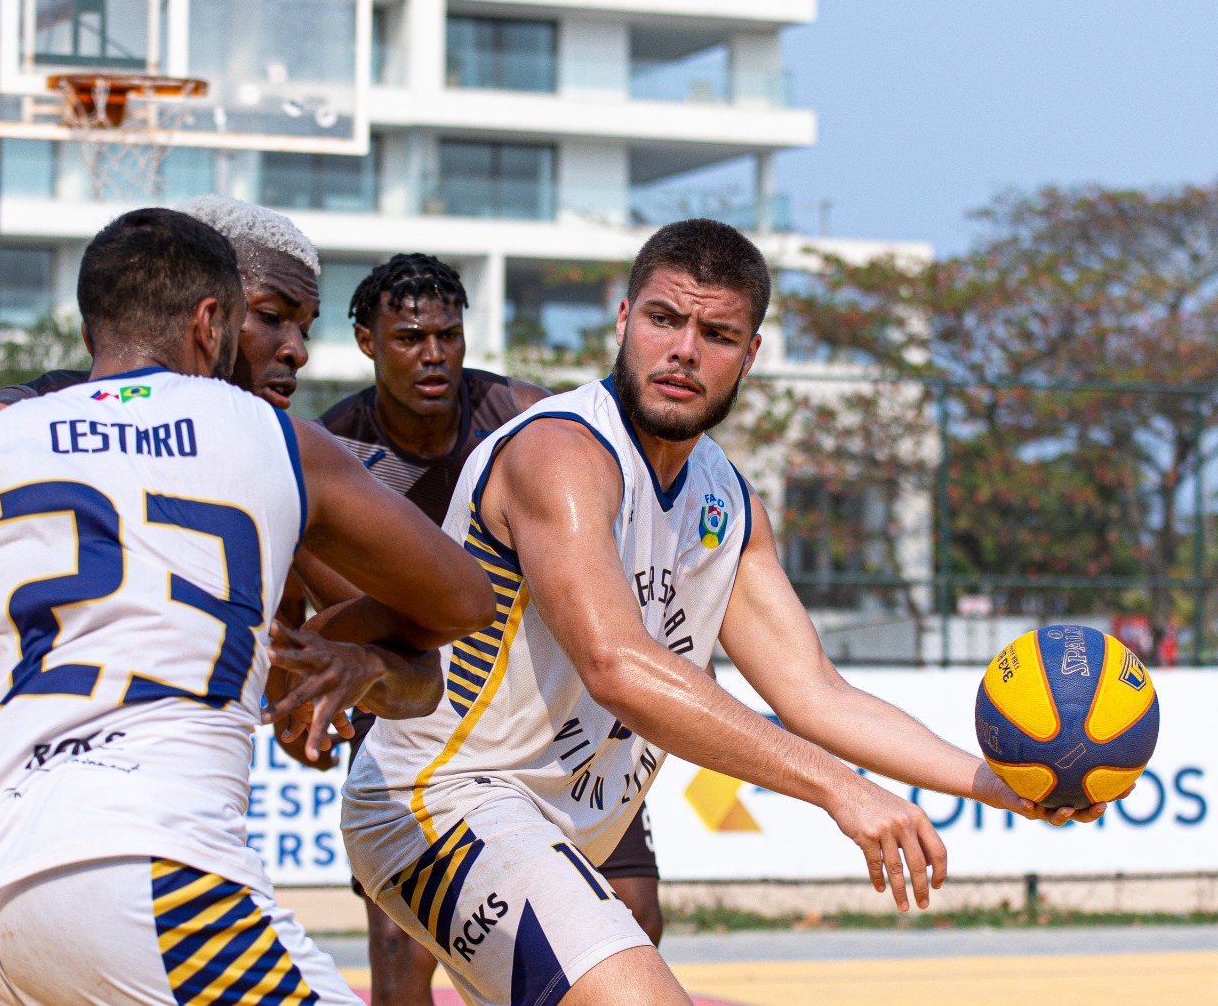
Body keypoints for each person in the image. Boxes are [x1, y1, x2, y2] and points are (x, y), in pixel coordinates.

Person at [0, 207, 496, 1005]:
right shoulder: (16, 428)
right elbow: (462, 602)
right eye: (272, 318)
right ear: (206, 314)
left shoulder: (249, 466)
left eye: (306, 324)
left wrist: (349, 665)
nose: (295, 347)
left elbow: (421, 669)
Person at [340, 219, 1108, 1006]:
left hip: (552, 829)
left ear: (750, 355)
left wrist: (1002, 785)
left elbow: (815, 693)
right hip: (443, 801)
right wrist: (842, 788)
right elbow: (617, 666)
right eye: (664, 320)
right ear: (624, 321)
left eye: (717, 333)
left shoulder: (728, 503)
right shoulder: (563, 454)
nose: (683, 350)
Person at [283, 253, 663, 1005]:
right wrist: (308, 691)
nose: (433, 355)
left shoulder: (526, 413)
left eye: (448, 337)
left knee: (634, 911)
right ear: (366, 341)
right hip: (412, 693)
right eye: (410, 338)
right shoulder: (337, 450)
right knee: (400, 944)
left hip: (543, 701)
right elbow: (334, 611)